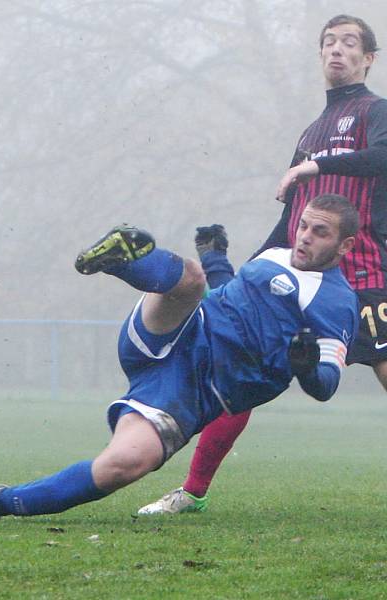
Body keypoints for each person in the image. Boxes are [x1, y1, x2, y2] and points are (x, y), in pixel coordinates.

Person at [0, 195, 357, 522]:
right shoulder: (273, 256)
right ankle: (122, 261)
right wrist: (215, 260)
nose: (304, 236)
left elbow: (326, 385)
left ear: (345, 245)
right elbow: (230, 295)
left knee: (123, 465)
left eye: (319, 232)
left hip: (189, 395)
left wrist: (305, 367)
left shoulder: (338, 304)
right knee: (192, 279)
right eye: (303, 224)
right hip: (178, 332)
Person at [139, 13, 387, 515]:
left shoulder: (375, 111)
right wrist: (235, 275)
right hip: (297, 283)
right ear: (320, 55)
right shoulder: (311, 132)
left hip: (363, 274)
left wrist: (316, 166)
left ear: (369, 58)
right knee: (245, 375)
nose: (336, 50)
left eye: (349, 43)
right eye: (328, 43)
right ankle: (192, 492)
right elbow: (291, 224)